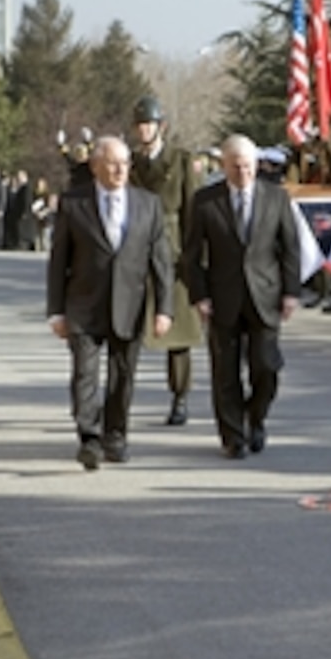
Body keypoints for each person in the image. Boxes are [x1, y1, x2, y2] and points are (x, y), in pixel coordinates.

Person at [46, 136, 175, 470]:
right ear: (95, 166)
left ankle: (115, 436)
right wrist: (56, 311)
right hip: (83, 304)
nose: (120, 170)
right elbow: (59, 260)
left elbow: (161, 262)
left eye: (125, 163)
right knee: (84, 374)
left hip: (129, 304)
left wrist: (164, 309)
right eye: (112, 163)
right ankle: (89, 438)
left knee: (123, 376)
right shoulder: (74, 204)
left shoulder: (148, 204)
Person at [183, 134, 302, 459]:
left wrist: (291, 291)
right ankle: (233, 436)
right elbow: (191, 255)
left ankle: (256, 417)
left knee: (267, 366)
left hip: (265, 296)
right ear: (224, 167)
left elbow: (290, 247)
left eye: (248, 166)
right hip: (223, 298)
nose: (243, 173)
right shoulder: (206, 201)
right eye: (236, 167)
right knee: (225, 372)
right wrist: (199, 295)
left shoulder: (275, 198)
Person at [129, 95, 204, 426]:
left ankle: (180, 396)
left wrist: (194, 259)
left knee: (178, 334)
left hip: (173, 253)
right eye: (140, 124)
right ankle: (122, 396)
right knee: (127, 328)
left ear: (162, 127)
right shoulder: (129, 164)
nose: (145, 130)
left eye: (150, 124)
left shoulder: (182, 161)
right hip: (135, 254)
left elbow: (193, 213)